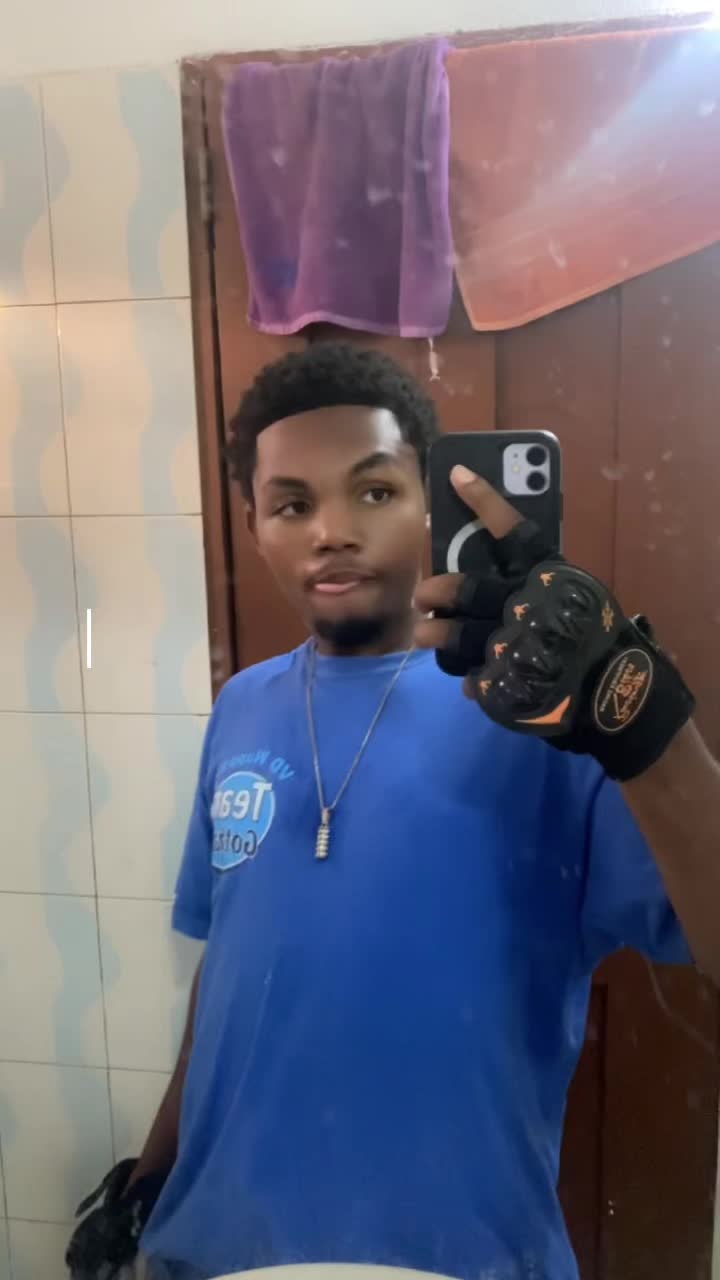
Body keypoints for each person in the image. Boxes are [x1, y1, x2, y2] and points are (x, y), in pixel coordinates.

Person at [67, 343, 720, 1280]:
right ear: (254, 526)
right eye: (293, 504)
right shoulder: (243, 706)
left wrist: (643, 718)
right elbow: (232, 968)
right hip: (211, 1256)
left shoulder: (544, 718)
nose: (332, 531)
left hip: (463, 1262)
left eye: (373, 492)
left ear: (430, 507)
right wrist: (149, 1178)